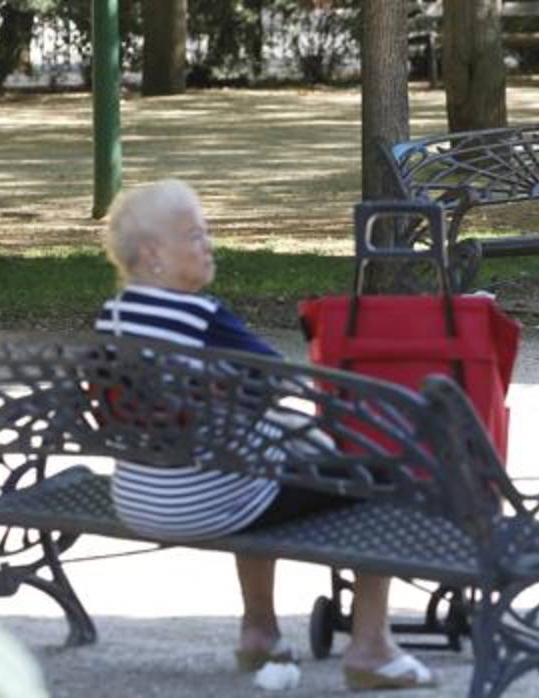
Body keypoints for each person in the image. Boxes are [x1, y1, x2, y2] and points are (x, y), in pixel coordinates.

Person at [96, 179, 436, 691]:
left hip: (139, 499)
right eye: (194, 235)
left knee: (253, 460)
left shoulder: (114, 315)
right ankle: (372, 648)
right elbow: (280, 377)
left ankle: (260, 631)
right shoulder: (201, 316)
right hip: (205, 502)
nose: (209, 244)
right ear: (151, 255)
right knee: (381, 475)